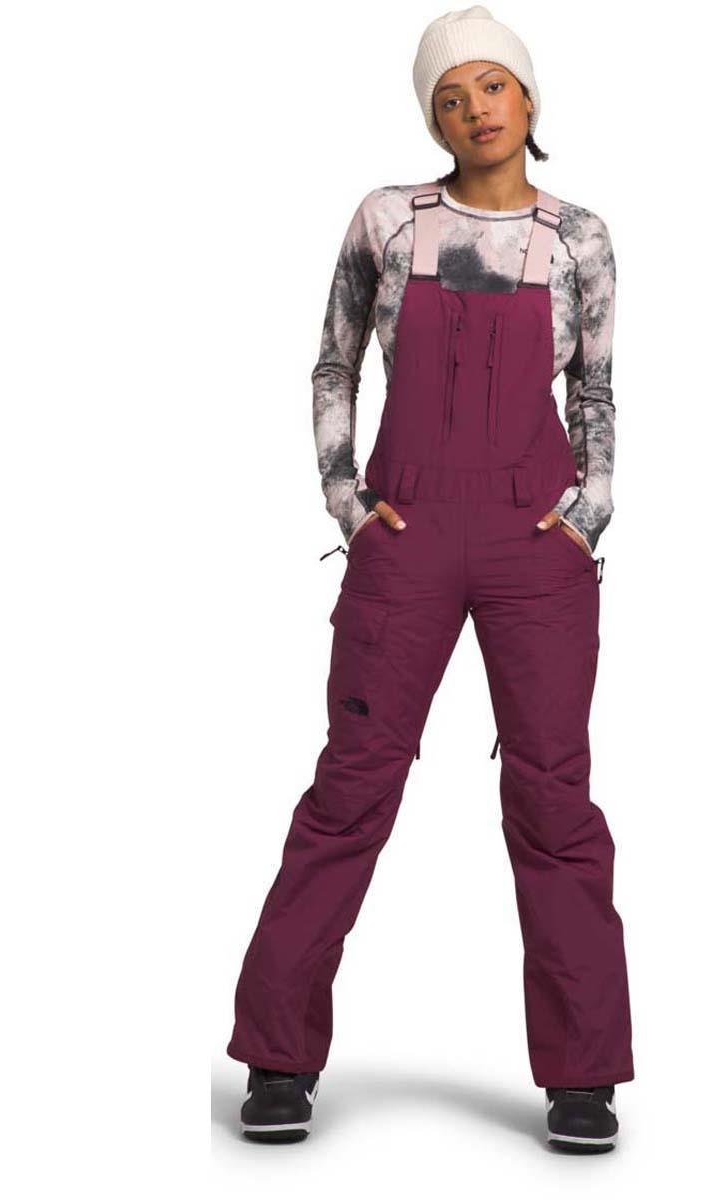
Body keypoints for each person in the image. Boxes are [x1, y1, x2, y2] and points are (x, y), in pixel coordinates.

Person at [226, 5, 635, 1152]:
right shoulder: (386, 220)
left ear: (528, 99)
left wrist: (588, 512)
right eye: (450, 97)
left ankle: (583, 1076)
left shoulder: (580, 237)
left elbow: (596, 391)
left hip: (534, 539)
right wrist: (348, 503)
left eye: (492, 86)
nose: (474, 109)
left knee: (554, 797)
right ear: (432, 118)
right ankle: (277, 1054)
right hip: (405, 530)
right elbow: (334, 362)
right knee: (352, 787)